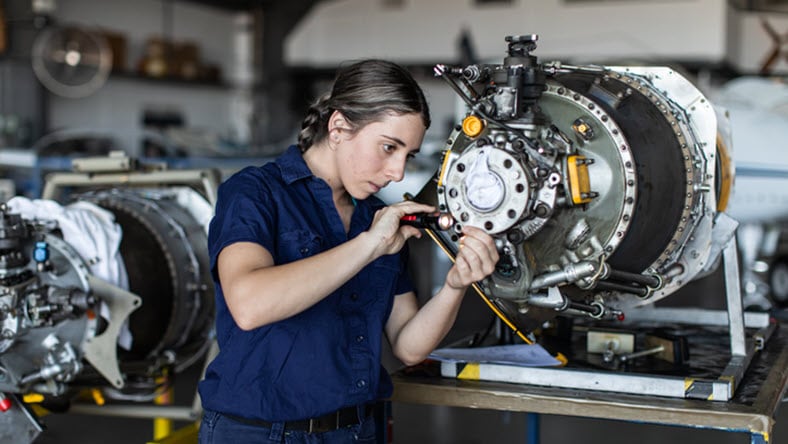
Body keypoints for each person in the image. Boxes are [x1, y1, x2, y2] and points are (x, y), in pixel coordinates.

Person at [198, 59, 499, 444]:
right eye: (389, 147)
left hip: (354, 431)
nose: (398, 172)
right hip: (258, 433)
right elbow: (250, 304)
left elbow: (408, 346)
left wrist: (455, 286)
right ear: (338, 127)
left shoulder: (377, 219)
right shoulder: (256, 193)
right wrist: (370, 245)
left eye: (407, 155)